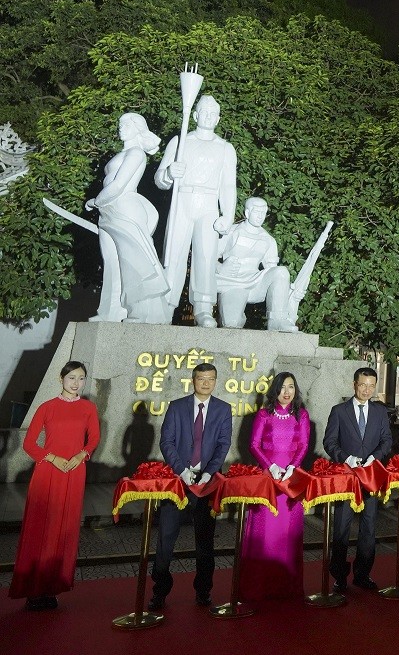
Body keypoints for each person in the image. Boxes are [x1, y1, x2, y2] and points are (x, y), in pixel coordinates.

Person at [9, 362, 100, 610]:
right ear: (61, 379)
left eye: (81, 378)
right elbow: (29, 444)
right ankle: (33, 588)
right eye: (71, 378)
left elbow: (94, 439)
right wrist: (52, 458)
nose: (76, 383)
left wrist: (81, 455)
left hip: (74, 471)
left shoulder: (88, 408)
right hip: (48, 471)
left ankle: (51, 586)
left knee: (64, 528)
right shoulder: (46, 407)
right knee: (41, 528)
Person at [150, 362, 232, 610]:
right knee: (166, 538)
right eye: (201, 379)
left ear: (215, 381)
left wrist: (209, 473)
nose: (206, 383)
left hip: (207, 483)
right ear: (193, 380)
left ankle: (203, 591)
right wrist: (182, 470)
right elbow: (167, 442)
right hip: (178, 481)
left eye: (210, 379)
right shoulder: (177, 407)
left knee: (205, 540)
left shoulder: (223, 409)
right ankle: (159, 591)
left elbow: (223, 444)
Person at [155, 94, 237, 327]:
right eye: (204, 112)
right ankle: (166, 304)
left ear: (218, 118)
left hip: (209, 204)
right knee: (173, 255)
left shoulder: (225, 148)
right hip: (182, 200)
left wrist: (228, 215)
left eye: (213, 113)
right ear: (195, 115)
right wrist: (169, 173)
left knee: (207, 257)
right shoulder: (180, 141)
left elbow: (228, 185)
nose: (209, 117)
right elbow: (159, 179)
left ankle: (203, 308)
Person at [85, 113, 169, 324]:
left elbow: (118, 185)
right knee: (112, 260)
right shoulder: (124, 153)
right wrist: (100, 204)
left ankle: (140, 311)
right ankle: (111, 311)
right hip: (108, 210)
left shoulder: (136, 153)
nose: (120, 128)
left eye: (126, 125)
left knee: (132, 259)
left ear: (137, 128)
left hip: (124, 207)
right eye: (120, 124)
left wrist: (96, 201)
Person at [240, 372, 310, 600]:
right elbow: (254, 444)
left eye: (291, 387)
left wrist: (292, 467)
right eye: (282, 387)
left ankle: (287, 587)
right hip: (268, 479)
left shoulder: (301, 414)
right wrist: (270, 466)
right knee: (265, 532)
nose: (287, 392)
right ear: (275, 390)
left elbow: (304, 445)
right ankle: (258, 586)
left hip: (291, 481)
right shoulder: (264, 414)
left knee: (288, 533)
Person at [323, 367, 392, 592]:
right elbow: (329, 442)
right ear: (354, 384)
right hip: (346, 477)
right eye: (363, 385)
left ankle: (363, 574)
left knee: (369, 527)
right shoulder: (339, 411)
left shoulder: (380, 412)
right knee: (341, 527)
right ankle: (339, 576)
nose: (367, 390)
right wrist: (347, 458)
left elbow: (387, 440)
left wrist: (375, 457)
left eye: (371, 386)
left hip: (370, 476)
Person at [215, 197, 297, 332]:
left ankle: (277, 320)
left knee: (281, 271)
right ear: (247, 213)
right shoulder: (230, 232)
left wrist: (285, 288)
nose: (260, 216)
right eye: (257, 212)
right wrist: (220, 267)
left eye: (263, 213)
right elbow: (208, 258)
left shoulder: (268, 240)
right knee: (231, 324)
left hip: (255, 282)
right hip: (232, 283)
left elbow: (272, 271)